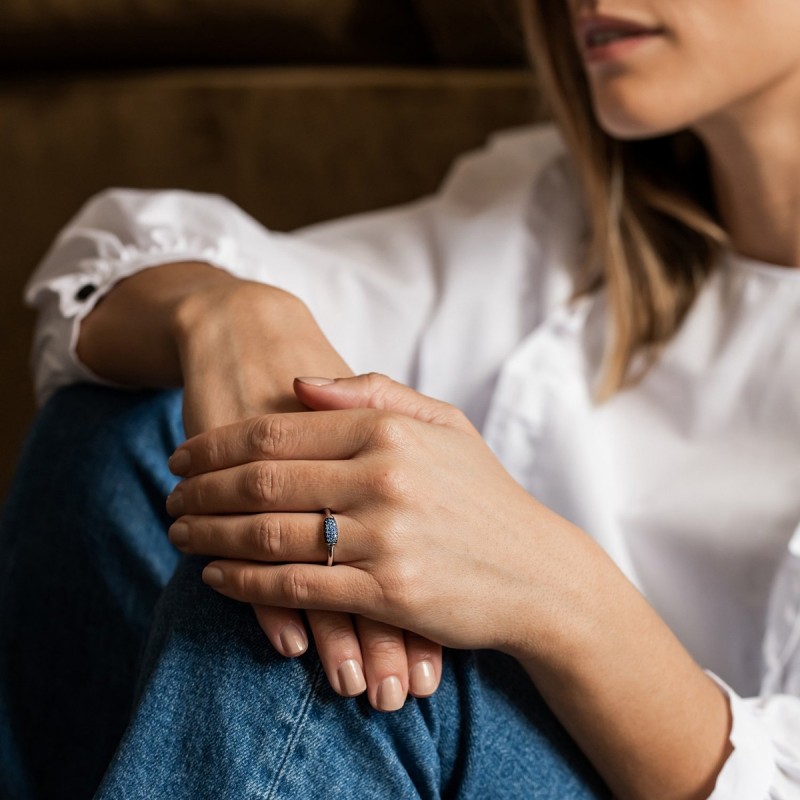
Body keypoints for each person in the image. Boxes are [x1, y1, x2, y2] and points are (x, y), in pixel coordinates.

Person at [2, 0, 800, 797]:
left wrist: (554, 591)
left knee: (327, 627)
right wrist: (229, 312)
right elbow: (110, 268)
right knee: (127, 432)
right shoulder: (555, 224)